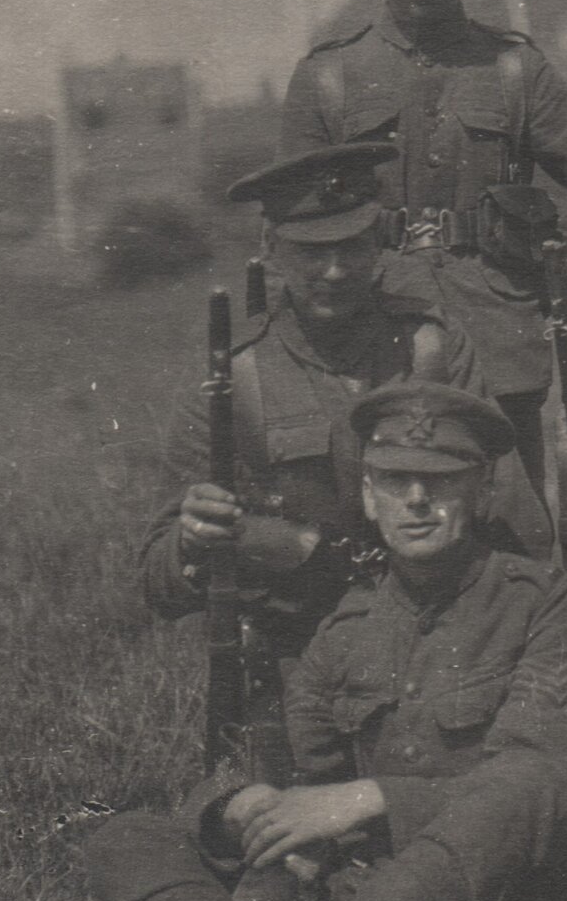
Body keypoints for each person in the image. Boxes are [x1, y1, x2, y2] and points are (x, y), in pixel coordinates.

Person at [89, 383, 567, 901]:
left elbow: (540, 781)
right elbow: (274, 769)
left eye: (441, 481)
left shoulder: (541, 603)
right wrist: (241, 805)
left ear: (483, 490)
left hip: (485, 894)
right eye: (394, 480)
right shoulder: (345, 626)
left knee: (521, 792)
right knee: (123, 839)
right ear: (367, 495)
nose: (416, 500)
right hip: (365, 897)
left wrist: (368, 798)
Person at [140, 143, 542, 671]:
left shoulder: (431, 349)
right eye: (312, 252)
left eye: (352, 247)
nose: (335, 271)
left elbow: (513, 519)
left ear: (378, 243)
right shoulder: (233, 379)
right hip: (299, 654)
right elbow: (157, 582)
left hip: (439, 641)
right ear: (271, 248)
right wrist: (194, 542)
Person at [278, 0, 567, 495]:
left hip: (499, 338)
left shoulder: (517, 70)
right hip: (373, 335)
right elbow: (290, 232)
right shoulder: (328, 79)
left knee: (515, 520)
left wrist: (552, 259)